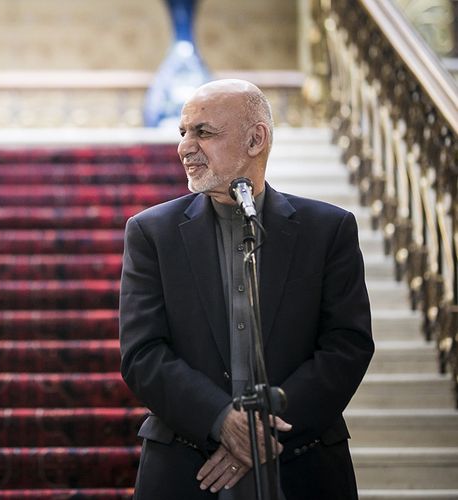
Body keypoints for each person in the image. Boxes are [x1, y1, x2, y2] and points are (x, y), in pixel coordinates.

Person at [119, 79, 374, 499]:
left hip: (302, 461)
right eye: (183, 133)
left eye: (203, 132)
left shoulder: (328, 230)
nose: (185, 147)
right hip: (186, 468)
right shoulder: (151, 232)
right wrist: (221, 420)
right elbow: (142, 353)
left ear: (256, 139)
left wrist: (258, 437)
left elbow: (347, 346)